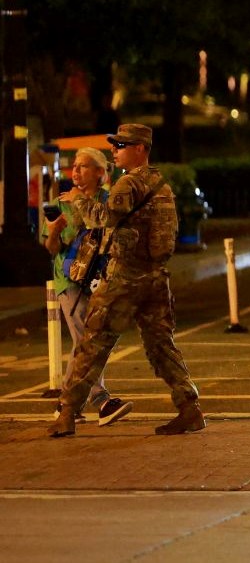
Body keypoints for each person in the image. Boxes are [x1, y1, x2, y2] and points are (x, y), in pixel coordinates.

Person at [48, 124, 205, 438]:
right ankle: (190, 408)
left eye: (122, 145)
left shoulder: (127, 184)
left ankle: (66, 414)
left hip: (125, 276)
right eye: (115, 144)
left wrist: (78, 198)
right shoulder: (161, 183)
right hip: (156, 276)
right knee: (161, 345)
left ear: (141, 148)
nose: (115, 149)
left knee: (93, 343)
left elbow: (103, 218)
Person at [43, 148, 131, 426]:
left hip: (101, 280)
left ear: (100, 173)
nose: (76, 172)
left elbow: (108, 227)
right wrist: (55, 229)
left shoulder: (108, 201)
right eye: (75, 167)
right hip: (70, 281)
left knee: (87, 341)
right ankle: (101, 400)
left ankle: (66, 404)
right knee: (86, 340)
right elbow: (52, 248)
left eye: (84, 167)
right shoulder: (61, 203)